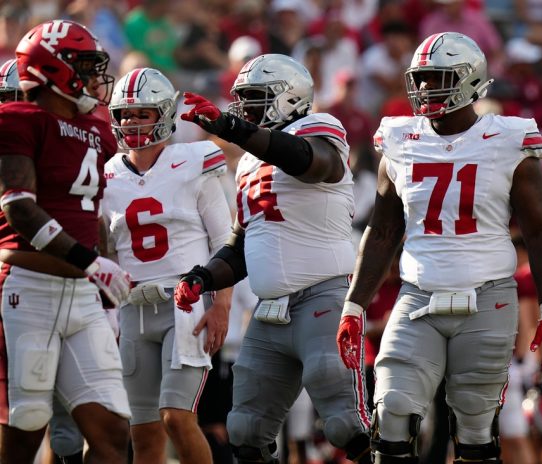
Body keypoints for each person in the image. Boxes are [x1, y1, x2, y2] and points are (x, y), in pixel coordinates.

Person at [336, 32, 542, 463]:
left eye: (436, 77)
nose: (424, 87)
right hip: (417, 294)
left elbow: (540, 231)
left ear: (468, 79)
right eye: (420, 78)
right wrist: (354, 305)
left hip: (488, 296)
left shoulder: (508, 139)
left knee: (475, 425)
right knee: (392, 409)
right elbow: (382, 231)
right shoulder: (400, 139)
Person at [173, 53, 372, 464]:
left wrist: (233, 129)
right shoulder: (248, 162)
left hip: (321, 298)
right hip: (269, 312)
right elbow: (241, 246)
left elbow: (309, 162)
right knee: (246, 432)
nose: (244, 108)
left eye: (255, 97)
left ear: (289, 97)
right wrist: (203, 277)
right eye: (242, 99)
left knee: (345, 426)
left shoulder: (319, 128)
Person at [0, 19, 131, 464]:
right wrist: (91, 264)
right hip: (27, 290)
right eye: (86, 65)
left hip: (82, 297)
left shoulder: (96, 130)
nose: (96, 77)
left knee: (112, 433)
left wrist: (105, 291)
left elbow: (91, 216)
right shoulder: (17, 118)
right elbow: (19, 208)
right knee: (26, 426)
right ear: (54, 67)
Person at [101, 66, 232, 464]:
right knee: (142, 434)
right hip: (132, 309)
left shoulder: (195, 160)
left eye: (141, 114)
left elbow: (225, 242)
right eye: (125, 115)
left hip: (184, 303)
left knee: (177, 417)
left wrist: (222, 305)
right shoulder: (107, 174)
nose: (131, 122)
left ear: (164, 114)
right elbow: (108, 253)